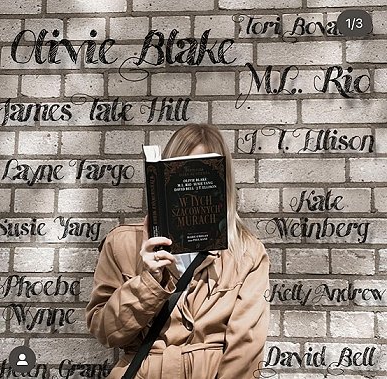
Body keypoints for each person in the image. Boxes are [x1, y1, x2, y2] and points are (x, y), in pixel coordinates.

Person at [85, 124, 270, 379]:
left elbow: (246, 349)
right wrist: (147, 282)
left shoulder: (246, 253)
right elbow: (105, 332)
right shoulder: (123, 244)